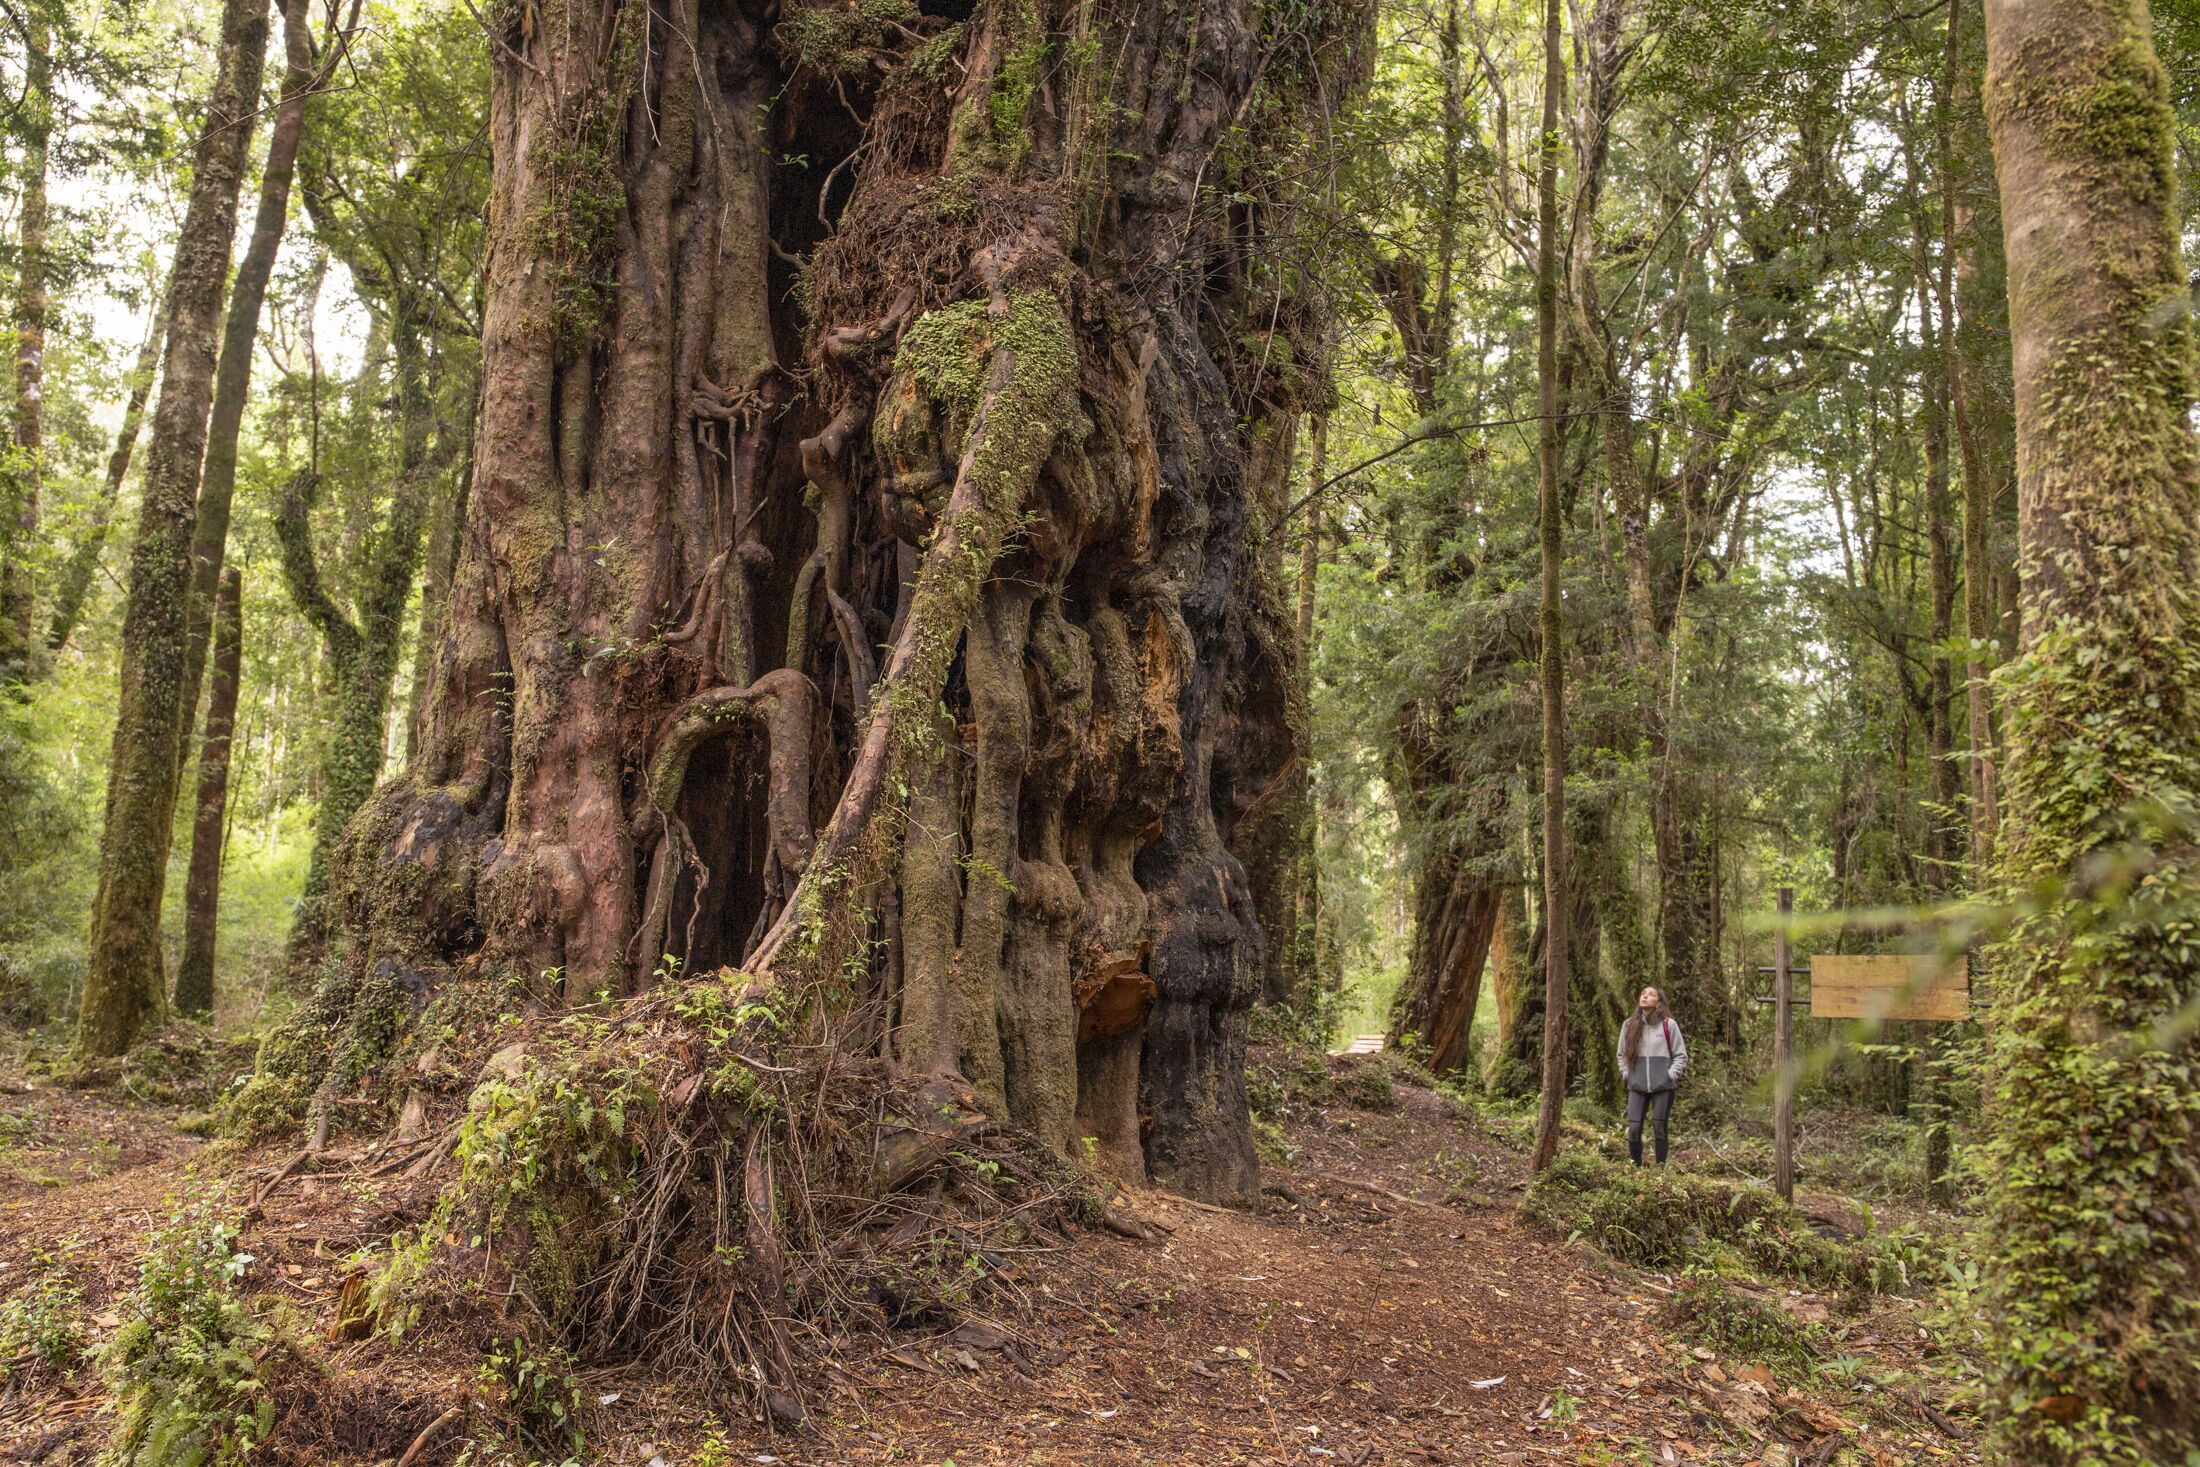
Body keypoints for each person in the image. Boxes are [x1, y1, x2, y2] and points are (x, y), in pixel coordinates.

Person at [1616, 986, 1686, 1166]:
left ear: (1659, 1002)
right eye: (1643, 993)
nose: (1645, 996)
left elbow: (1680, 1055)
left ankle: (1660, 1170)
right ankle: (1635, 1168)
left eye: (1651, 994)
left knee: (1659, 1129)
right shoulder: (1629, 1025)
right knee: (1633, 1128)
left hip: (1663, 1087)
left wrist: (1670, 1075)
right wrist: (1627, 1074)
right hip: (1636, 1086)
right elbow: (1622, 1055)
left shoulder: (1668, 1025)